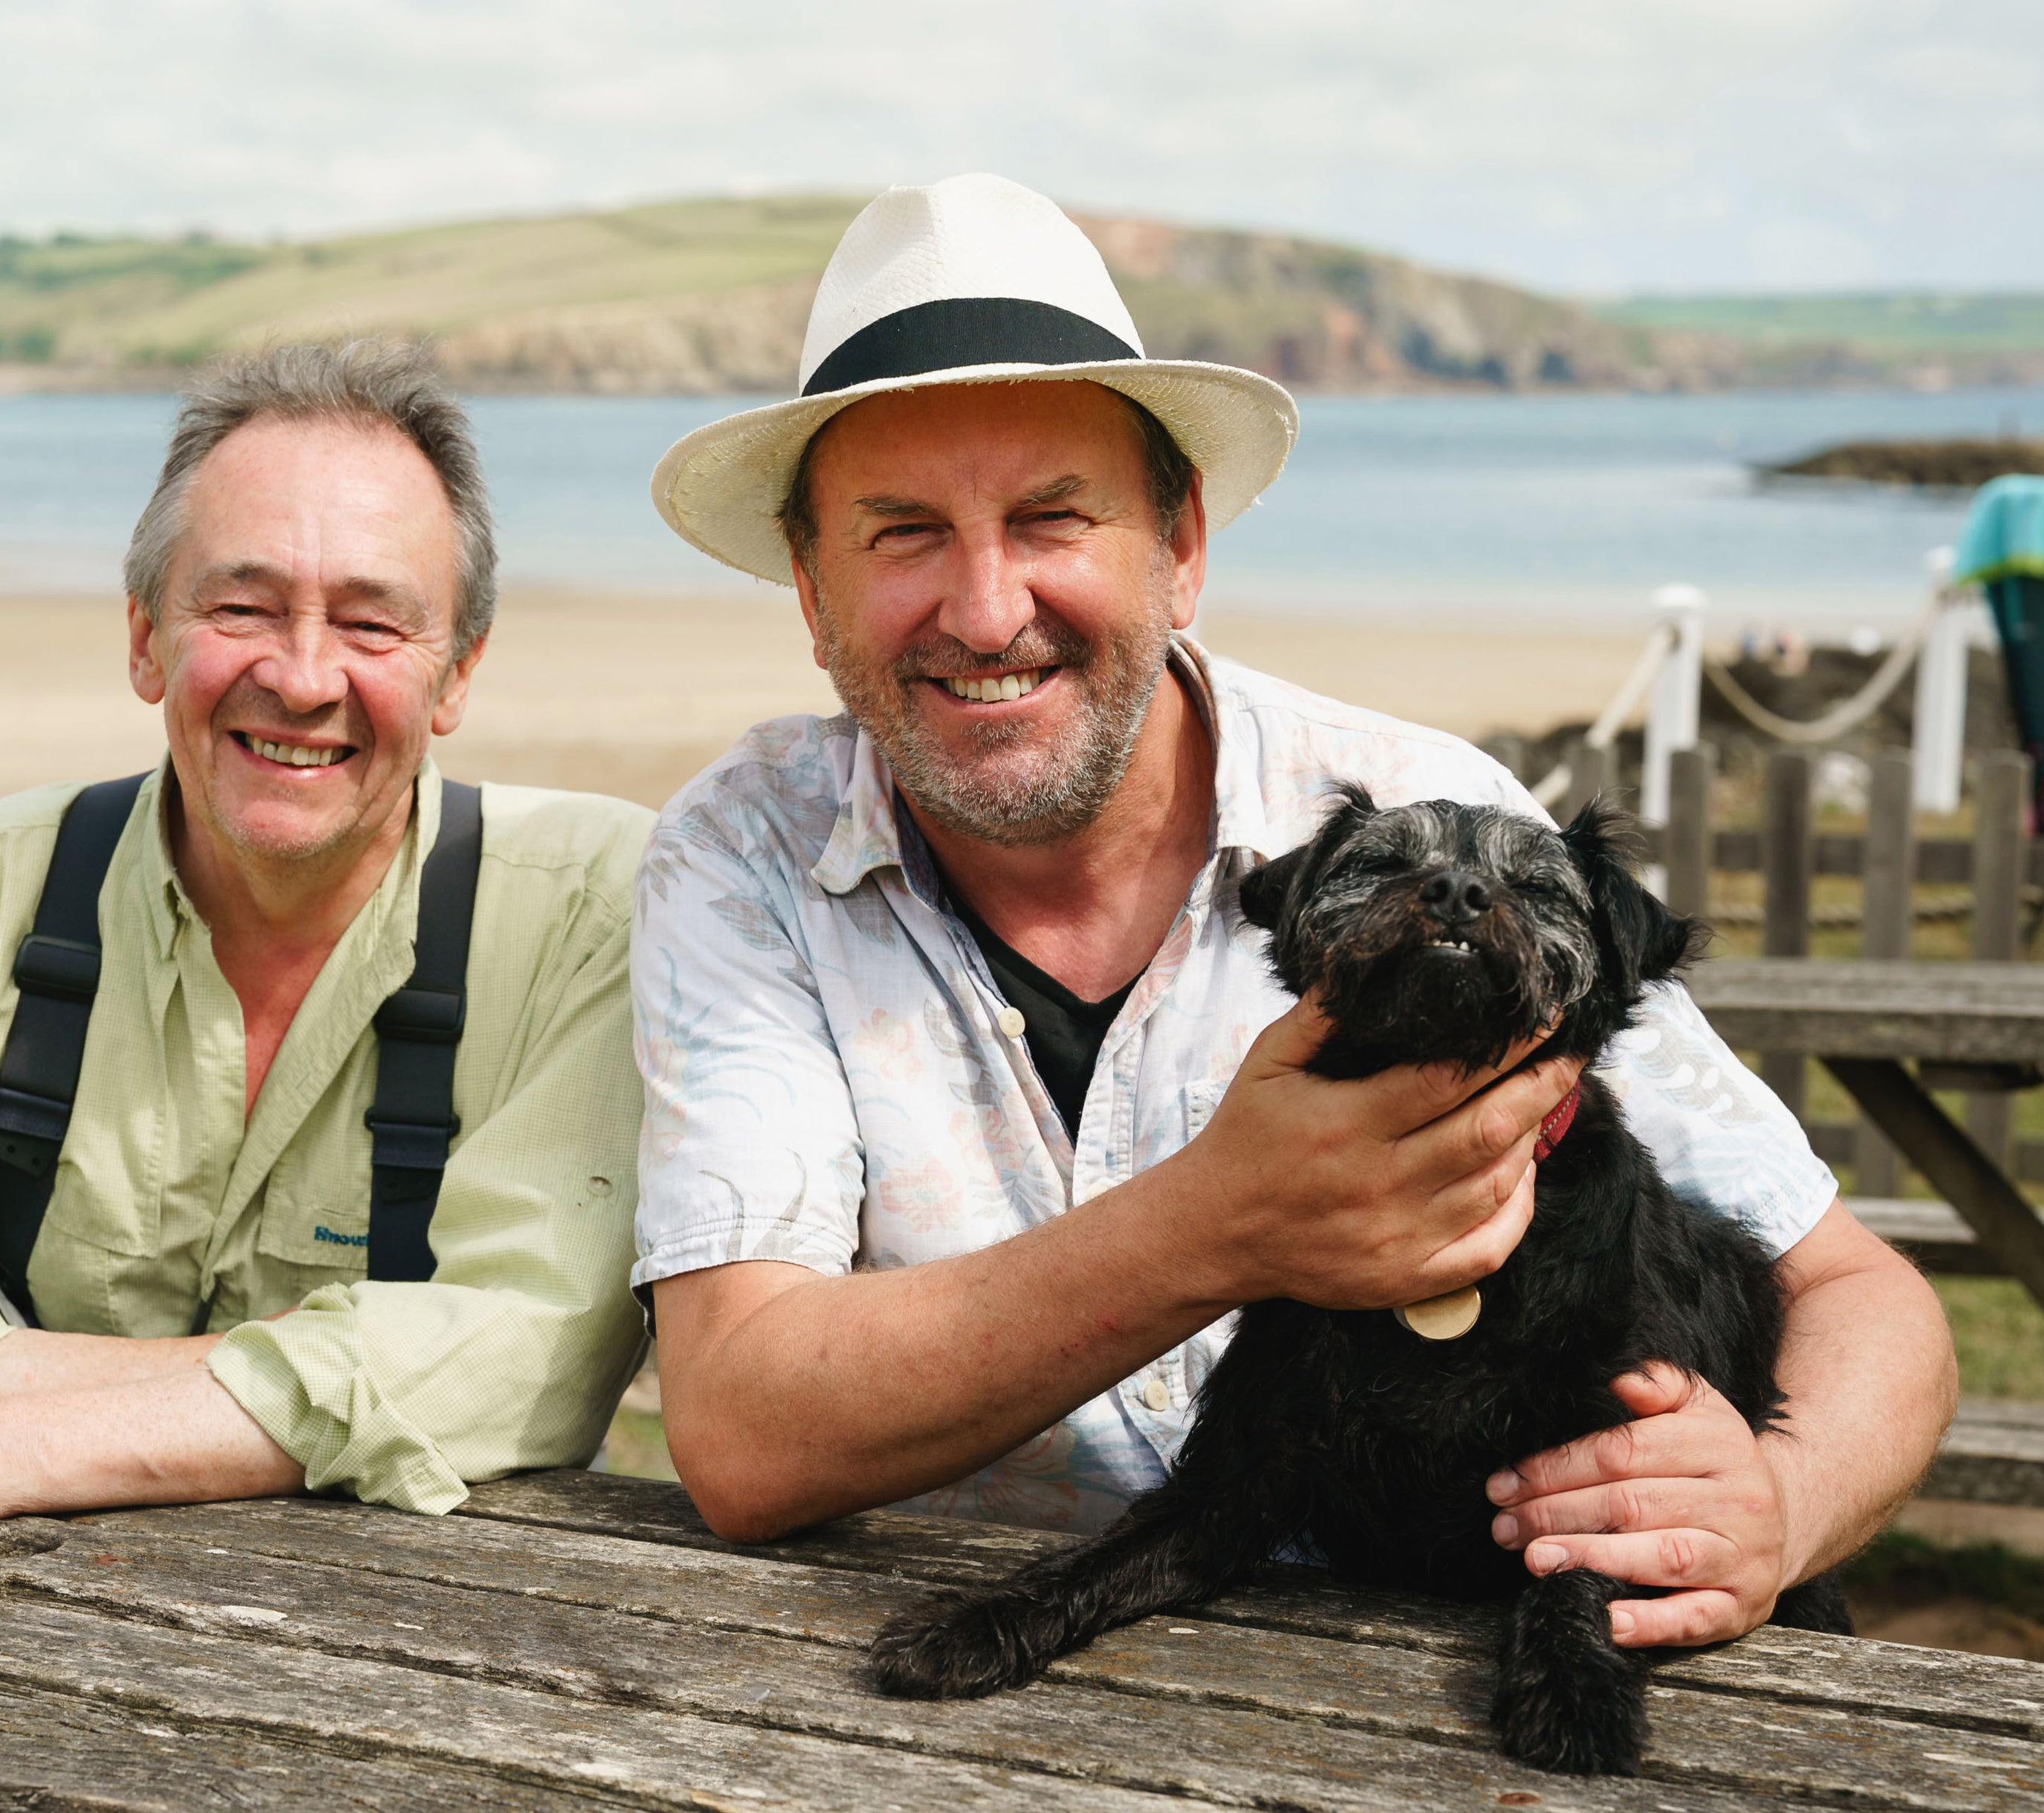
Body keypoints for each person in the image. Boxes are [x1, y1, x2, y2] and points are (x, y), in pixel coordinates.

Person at [632, 175, 1955, 1651]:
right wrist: (1219, 1221)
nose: (987, 606)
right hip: (993, 1675)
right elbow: (744, 1434)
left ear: (1181, 544)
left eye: (1052, 516)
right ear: (811, 594)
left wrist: (1777, 1495)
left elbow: (1860, 1293)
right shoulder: (739, 857)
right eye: (900, 534)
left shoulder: (1434, 822)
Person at [0, 340, 652, 1553]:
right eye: (241, 608)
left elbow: (533, 1361)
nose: (302, 678)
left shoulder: (598, 916)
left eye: (370, 623)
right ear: (145, 638)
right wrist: (218, 1392)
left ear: (458, 670)